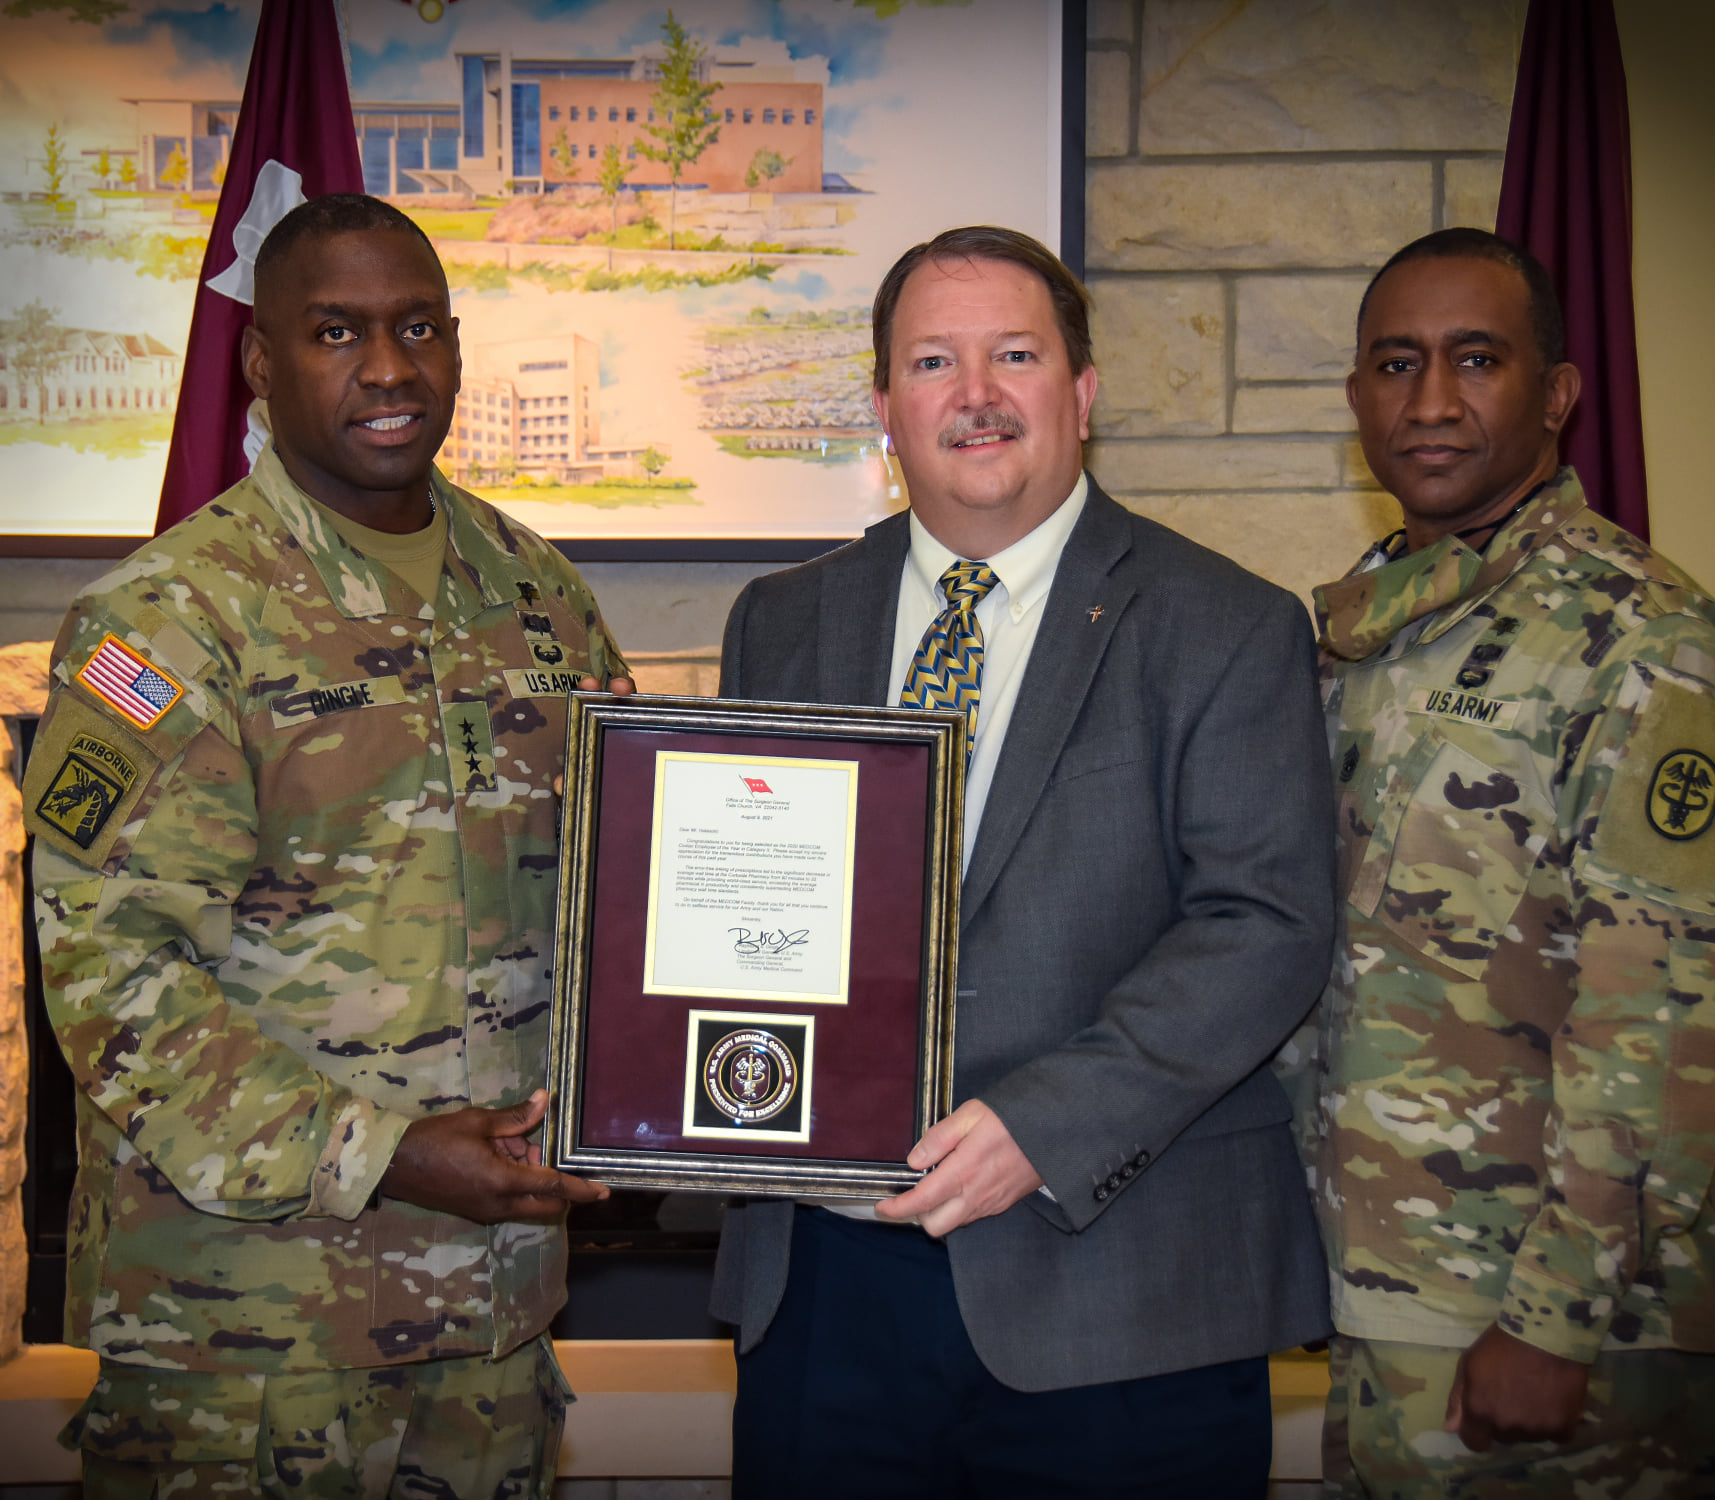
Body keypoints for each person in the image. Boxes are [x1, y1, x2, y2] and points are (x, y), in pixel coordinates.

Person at [713, 225, 1336, 1498]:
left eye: (1015, 354)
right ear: (885, 406)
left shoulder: (1226, 623)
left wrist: (1039, 1127)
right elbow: (738, 905)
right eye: (933, 361)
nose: (976, 394)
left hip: (1117, 1290)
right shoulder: (781, 620)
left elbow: (1262, 923)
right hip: (825, 1289)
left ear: (1082, 391)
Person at [25, 194, 631, 1498]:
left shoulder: (545, 602)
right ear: (260, 361)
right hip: (249, 1338)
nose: (389, 368)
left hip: (491, 1322)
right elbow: (114, 984)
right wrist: (394, 1152)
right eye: (337, 330)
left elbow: (629, 898)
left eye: (418, 328)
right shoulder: (166, 626)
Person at [1297, 226, 1715, 1497]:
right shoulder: (1375, 628)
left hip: (1557, 1329)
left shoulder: (1647, 644)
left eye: (1477, 360)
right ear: (1356, 399)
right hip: (1392, 1286)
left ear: (1555, 393)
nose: (1432, 400)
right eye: (1396, 363)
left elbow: (1662, 1012)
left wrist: (1556, 1318)